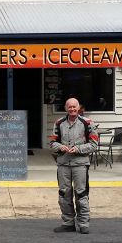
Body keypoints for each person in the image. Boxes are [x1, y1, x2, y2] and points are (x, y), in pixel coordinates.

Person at [49, 97, 99, 234]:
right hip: (63, 164)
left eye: (74, 107)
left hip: (80, 165)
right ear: (66, 108)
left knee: (81, 193)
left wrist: (78, 149)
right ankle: (68, 223)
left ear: (79, 108)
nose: (72, 109)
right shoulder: (59, 123)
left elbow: (94, 144)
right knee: (64, 194)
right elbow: (52, 143)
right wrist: (61, 147)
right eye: (69, 107)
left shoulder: (88, 123)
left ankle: (83, 223)